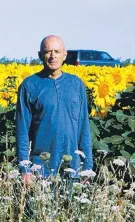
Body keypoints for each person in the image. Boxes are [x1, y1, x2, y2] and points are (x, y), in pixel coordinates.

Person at [15, 35, 93, 185]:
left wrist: (87, 167)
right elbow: (22, 131)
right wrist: (25, 169)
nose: (52, 56)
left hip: (73, 169)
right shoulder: (29, 86)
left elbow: (84, 128)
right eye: (48, 52)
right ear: (40, 55)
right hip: (41, 169)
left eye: (57, 51)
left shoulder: (76, 84)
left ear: (64, 55)